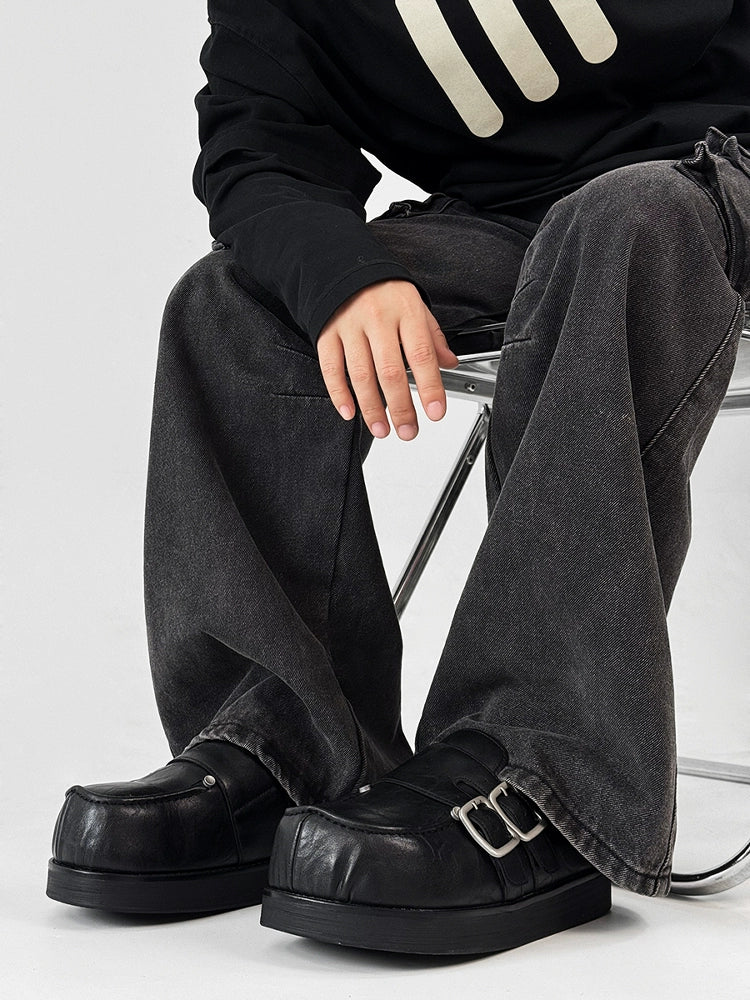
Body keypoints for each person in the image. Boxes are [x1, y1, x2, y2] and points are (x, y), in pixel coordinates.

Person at [46, 0, 750, 955]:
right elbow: (262, 135)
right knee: (236, 300)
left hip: (717, 179)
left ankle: (539, 773)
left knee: (623, 220)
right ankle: (281, 747)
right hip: (511, 219)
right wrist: (347, 279)